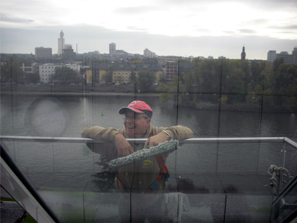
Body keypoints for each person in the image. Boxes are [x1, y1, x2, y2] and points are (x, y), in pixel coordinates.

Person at [81, 100, 193, 222]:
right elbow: (86, 133)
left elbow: (188, 132)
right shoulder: (118, 140)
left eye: (134, 117)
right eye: (127, 117)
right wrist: (115, 135)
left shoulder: (158, 135)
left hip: (155, 200)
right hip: (127, 201)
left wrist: (166, 134)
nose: (128, 121)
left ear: (148, 121)